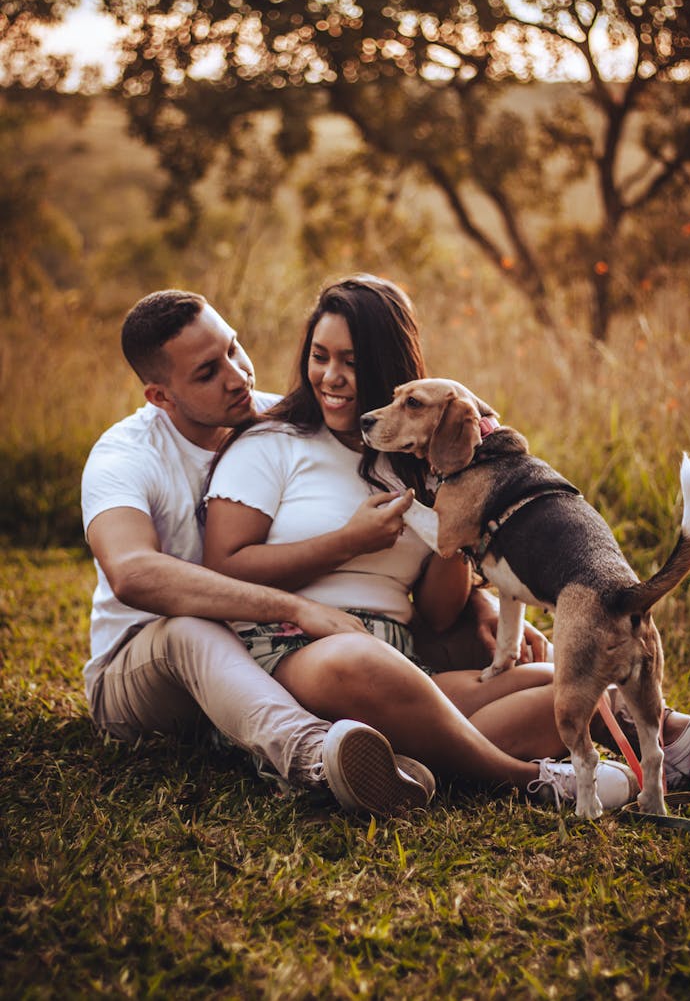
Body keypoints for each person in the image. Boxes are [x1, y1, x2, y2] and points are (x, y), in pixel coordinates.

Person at [203, 275, 690, 805]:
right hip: (300, 644)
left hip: (402, 658)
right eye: (319, 357)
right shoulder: (273, 442)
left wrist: (466, 544)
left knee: (564, 684)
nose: (332, 376)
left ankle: (407, 755)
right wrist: (348, 542)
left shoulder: (419, 461)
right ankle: (531, 779)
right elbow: (222, 566)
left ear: (392, 368)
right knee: (358, 662)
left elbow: (439, 615)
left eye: (351, 360)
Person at [81, 288, 441, 818]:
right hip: (143, 672)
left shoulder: (284, 419)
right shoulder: (125, 456)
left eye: (234, 349)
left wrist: (489, 607)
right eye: (207, 373)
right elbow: (132, 573)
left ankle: (388, 756)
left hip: (262, 660)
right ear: (160, 396)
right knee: (190, 630)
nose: (237, 376)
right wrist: (295, 608)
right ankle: (316, 758)